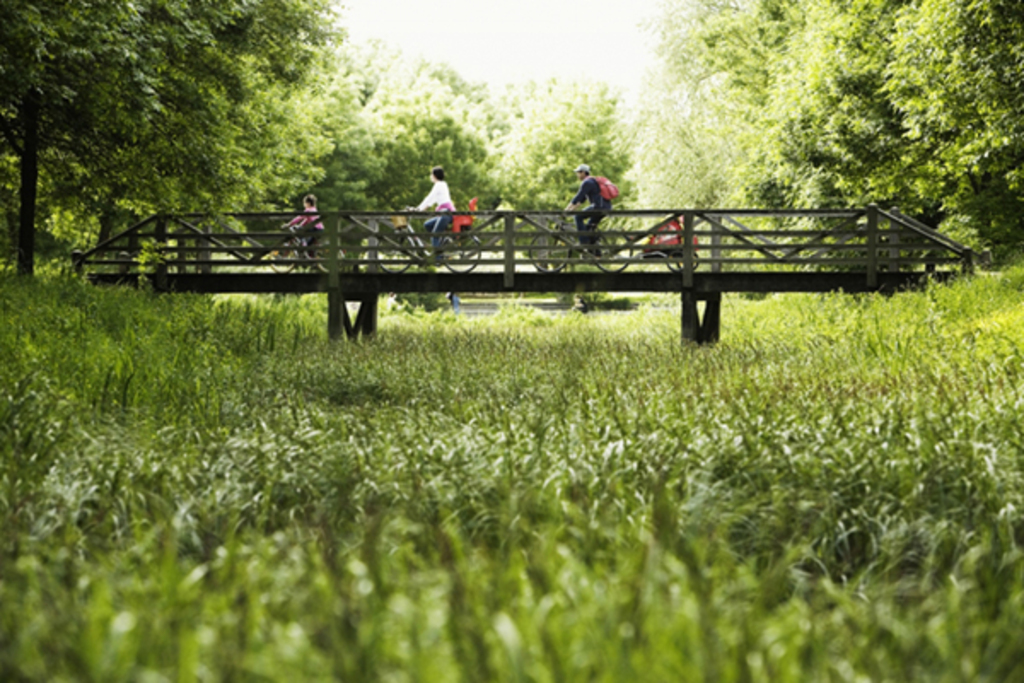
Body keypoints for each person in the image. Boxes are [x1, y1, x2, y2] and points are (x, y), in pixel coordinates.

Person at [564, 164, 610, 252]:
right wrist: (572, 210)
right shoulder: (592, 181)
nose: (577, 175)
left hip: (598, 207)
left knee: (578, 217)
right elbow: (581, 200)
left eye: (578, 172)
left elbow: (578, 197)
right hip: (605, 207)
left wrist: (566, 210)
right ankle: (597, 254)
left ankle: (584, 243)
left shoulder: (587, 182)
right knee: (589, 228)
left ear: (584, 173)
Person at [413, 166, 455, 251]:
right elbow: (431, 201)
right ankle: (442, 242)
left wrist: (418, 209)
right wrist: (420, 209)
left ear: (435, 175)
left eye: (431, 174)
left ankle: (438, 259)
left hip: (446, 213)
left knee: (434, 236)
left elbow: (429, 198)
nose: (430, 176)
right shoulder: (442, 184)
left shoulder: (439, 185)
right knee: (427, 225)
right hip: (446, 213)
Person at [284, 194, 324, 259]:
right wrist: (299, 226)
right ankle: (310, 258)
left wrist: (289, 224)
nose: (304, 204)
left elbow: (299, 218)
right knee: (310, 245)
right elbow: (306, 221)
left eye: (304, 203)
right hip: (320, 229)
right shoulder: (314, 209)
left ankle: (304, 246)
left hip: (315, 229)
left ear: (308, 203)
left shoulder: (308, 210)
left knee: (300, 235)